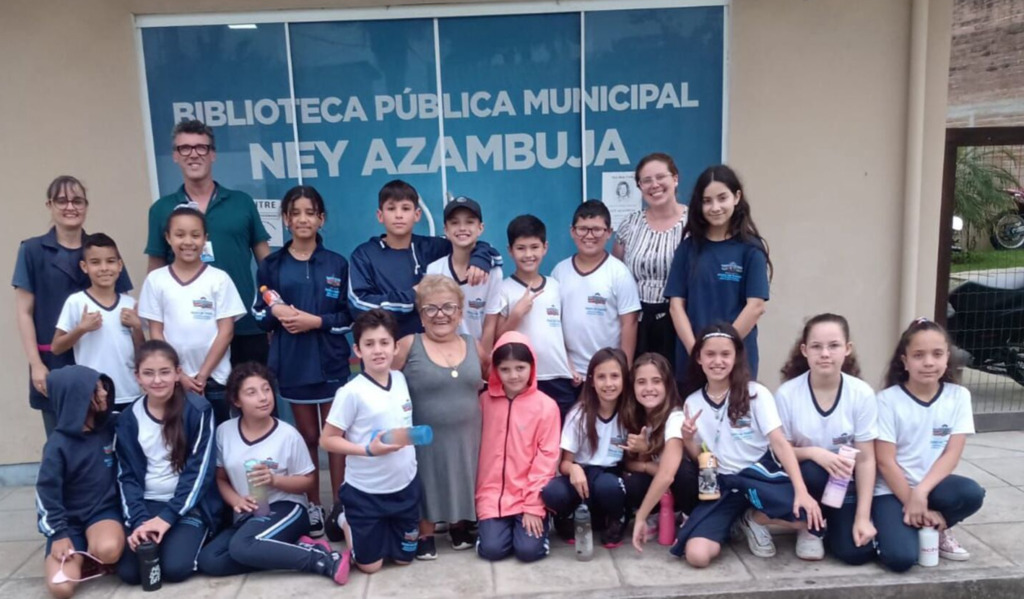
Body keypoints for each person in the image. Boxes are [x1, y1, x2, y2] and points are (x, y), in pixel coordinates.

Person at [664, 323, 823, 568]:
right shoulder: (693, 403)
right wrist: (687, 439)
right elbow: (700, 459)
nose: (718, 361)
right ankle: (732, 522)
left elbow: (780, 444)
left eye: (725, 354)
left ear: (736, 356)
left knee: (810, 518)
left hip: (759, 477)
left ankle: (755, 519)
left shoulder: (756, 394)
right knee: (697, 555)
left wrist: (801, 490)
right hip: (723, 485)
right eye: (710, 354)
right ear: (699, 358)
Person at [253, 185, 352, 537]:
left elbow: (349, 316)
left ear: (321, 218)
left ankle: (341, 506)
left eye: (310, 212)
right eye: (296, 213)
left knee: (334, 436)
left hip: (330, 362)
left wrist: (317, 322)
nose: (303, 219)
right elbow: (259, 313)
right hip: (293, 363)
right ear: (285, 220)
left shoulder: (337, 263)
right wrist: (275, 312)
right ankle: (313, 505)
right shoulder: (272, 265)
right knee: (307, 437)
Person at [197, 362, 349, 584]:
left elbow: (308, 481)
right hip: (250, 513)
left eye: (266, 389)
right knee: (210, 560)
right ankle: (296, 548)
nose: (263, 397)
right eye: (252, 392)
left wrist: (274, 480)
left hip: (287, 507)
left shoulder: (287, 434)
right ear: (236, 400)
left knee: (241, 547)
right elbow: (220, 479)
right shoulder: (225, 432)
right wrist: (236, 501)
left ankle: (323, 559)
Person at [145, 119, 271, 366]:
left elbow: (266, 264)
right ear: (175, 156)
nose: (194, 154)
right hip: (187, 333)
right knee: (197, 402)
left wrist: (272, 312)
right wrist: (155, 328)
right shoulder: (161, 209)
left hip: (246, 324)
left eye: (201, 147)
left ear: (212, 154)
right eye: (185, 148)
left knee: (257, 401)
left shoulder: (241, 202)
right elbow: (155, 270)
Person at [13, 176, 132, 437]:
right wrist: (36, 364)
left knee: (105, 443)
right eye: (62, 200)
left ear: (86, 205)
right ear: (49, 205)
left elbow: (120, 307)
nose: (70, 207)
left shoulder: (100, 250)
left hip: (100, 361)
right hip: (54, 361)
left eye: (77, 200)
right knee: (63, 443)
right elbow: (24, 312)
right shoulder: (32, 250)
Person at [872, 318, 985, 572]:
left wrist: (921, 494)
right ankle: (900, 523)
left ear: (948, 358)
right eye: (919, 355)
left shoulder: (958, 396)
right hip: (891, 490)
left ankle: (937, 526)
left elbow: (952, 454)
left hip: (931, 486)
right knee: (901, 559)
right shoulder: (887, 401)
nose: (929, 362)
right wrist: (910, 499)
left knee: (971, 493)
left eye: (937, 354)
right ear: (905, 360)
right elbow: (885, 461)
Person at [321, 309, 421, 574]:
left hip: (404, 487)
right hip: (366, 492)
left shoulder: (400, 379)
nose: (378, 350)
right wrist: (367, 449)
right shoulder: (350, 393)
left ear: (396, 347)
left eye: (384, 342)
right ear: (357, 349)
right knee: (370, 567)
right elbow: (327, 440)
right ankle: (344, 519)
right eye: (369, 344)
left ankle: (382, 529)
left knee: (403, 559)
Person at [115, 341, 221, 585]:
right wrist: (140, 521)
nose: (157, 380)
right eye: (148, 373)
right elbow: (127, 476)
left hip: (188, 506)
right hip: (148, 503)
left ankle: (201, 533)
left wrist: (168, 517)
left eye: (164, 372)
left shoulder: (198, 410)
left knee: (175, 568)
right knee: (132, 573)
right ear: (137, 377)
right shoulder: (128, 419)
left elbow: (200, 471)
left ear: (177, 373)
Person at [394, 275, 485, 559]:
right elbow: (387, 384)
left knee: (462, 472)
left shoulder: (475, 345)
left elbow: (490, 382)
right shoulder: (408, 345)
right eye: (431, 309)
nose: (440, 315)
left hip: (468, 435)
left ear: (459, 312)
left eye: (448, 307)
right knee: (427, 478)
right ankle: (425, 531)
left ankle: (459, 524)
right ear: (421, 315)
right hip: (422, 437)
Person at [774, 314, 878, 562]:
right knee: (813, 468)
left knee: (856, 553)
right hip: (805, 480)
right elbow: (780, 452)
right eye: (816, 346)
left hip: (843, 483)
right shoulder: (787, 394)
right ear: (804, 350)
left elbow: (866, 460)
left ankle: (834, 523)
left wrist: (862, 517)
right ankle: (810, 528)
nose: (825, 353)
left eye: (834, 346)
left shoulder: (861, 393)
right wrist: (814, 452)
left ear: (847, 349)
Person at [348, 180, 502, 338]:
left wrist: (480, 259)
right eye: (391, 208)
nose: (399, 215)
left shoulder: (433, 246)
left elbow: (471, 242)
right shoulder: (364, 255)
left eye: (406, 208)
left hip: (431, 350)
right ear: (380, 215)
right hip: (384, 351)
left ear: (417, 215)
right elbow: (358, 305)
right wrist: (412, 296)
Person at [138, 206, 246, 425]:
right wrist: (180, 375)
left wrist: (202, 376)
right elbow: (156, 332)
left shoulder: (219, 279)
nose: (188, 241)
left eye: (195, 235)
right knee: (179, 441)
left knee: (217, 441)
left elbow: (226, 332)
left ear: (205, 238)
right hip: (173, 380)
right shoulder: (156, 280)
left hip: (215, 380)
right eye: (180, 235)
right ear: (168, 238)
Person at [664, 165, 771, 381]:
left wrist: (722, 351)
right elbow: (676, 307)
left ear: (737, 197)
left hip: (737, 361)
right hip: (693, 361)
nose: (715, 207)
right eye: (707, 201)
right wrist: (699, 353)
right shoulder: (688, 249)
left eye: (722, 198)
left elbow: (756, 306)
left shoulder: (751, 249)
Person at [36, 366, 124, 599]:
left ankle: (92, 552)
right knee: (61, 588)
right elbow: (46, 493)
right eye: (96, 390)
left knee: (108, 549)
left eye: (104, 387)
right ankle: (80, 552)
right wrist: (57, 534)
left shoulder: (111, 426)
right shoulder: (57, 446)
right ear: (77, 396)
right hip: (67, 523)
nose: (104, 393)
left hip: (102, 512)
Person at [475, 332, 560, 562]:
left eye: (520, 368)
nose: (513, 376)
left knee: (528, 552)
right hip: (492, 495)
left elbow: (547, 458)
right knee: (492, 550)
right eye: (505, 369)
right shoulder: (484, 402)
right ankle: (491, 531)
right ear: (495, 370)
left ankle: (540, 523)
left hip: (528, 494)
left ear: (531, 366)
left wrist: (533, 505)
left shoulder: (546, 407)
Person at [541, 348, 630, 548]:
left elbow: (632, 461)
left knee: (608, 486)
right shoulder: (579, 414)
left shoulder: (629, 412)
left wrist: (641, 447)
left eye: (615, 376)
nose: (608, 384)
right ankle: (566, 517)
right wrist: (573, 468)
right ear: (591, 381)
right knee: (552, 492)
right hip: (581, 476)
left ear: (625, 378)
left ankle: (617, 517)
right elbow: (564, 462)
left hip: (609, 477)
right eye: (601, 377)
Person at [496, 215, 577, 420]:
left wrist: (570, 365)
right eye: (521, 248)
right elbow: (497, 339)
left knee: (559, 440)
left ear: (545, 247)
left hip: (559, 377)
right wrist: (516, 314)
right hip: (523, 379)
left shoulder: (555, 286)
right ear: (510, 251)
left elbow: (559, 333)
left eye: (534, 247)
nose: (528, 254)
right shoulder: (504, 289)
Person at [552, 200, 641, 381]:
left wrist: (624, 371)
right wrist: (566, 364)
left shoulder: (619, 273)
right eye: (583, 228)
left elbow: (629, 324)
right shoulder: (559, 272)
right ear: (572, 231)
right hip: (570, 373)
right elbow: (553, 324)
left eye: (597, 229)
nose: (589, 235)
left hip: (607, 376)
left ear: (609, 232)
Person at [52, 234, 144, 408]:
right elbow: (56, 347)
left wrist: (137, 327)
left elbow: (142, 354)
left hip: (129, 394)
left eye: (110, 261)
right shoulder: (76, 302)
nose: (104, 268)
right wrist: (81, 329)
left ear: (119, 265)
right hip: (93, 397)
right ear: (84, 267)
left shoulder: (130, 304)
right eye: (95, 262)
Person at [613, 153, 688, 364]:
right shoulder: (630, 224)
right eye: (646, 180)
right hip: (638, 321)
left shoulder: (694, 224)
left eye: (660, 177)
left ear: (675, 178)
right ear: (639, 186)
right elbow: (616, 273)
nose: (654, 185)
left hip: (679, 319)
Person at [620, 353, 698, 546]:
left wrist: (639, 517)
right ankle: (656, 515)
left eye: (656, 381)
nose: (649, 389)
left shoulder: (675, 417)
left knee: (683, 471)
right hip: (660, 483)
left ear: (668, 385)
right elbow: (628, 463)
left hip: (684, 485)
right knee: (631, 483)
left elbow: (668, 474)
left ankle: (689, 517)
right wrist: (645, 458)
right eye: (641, 382)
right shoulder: (634, 416)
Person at [425, 196, 503, 355]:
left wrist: (483, 363)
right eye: (454, 223)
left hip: (478, 357)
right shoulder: (434, 270)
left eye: (469, 222)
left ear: (481, 228)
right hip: (443, 356)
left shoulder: (494, 272)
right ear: (445, 230)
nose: (462, 228)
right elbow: (430, 322)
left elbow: (490, 324)